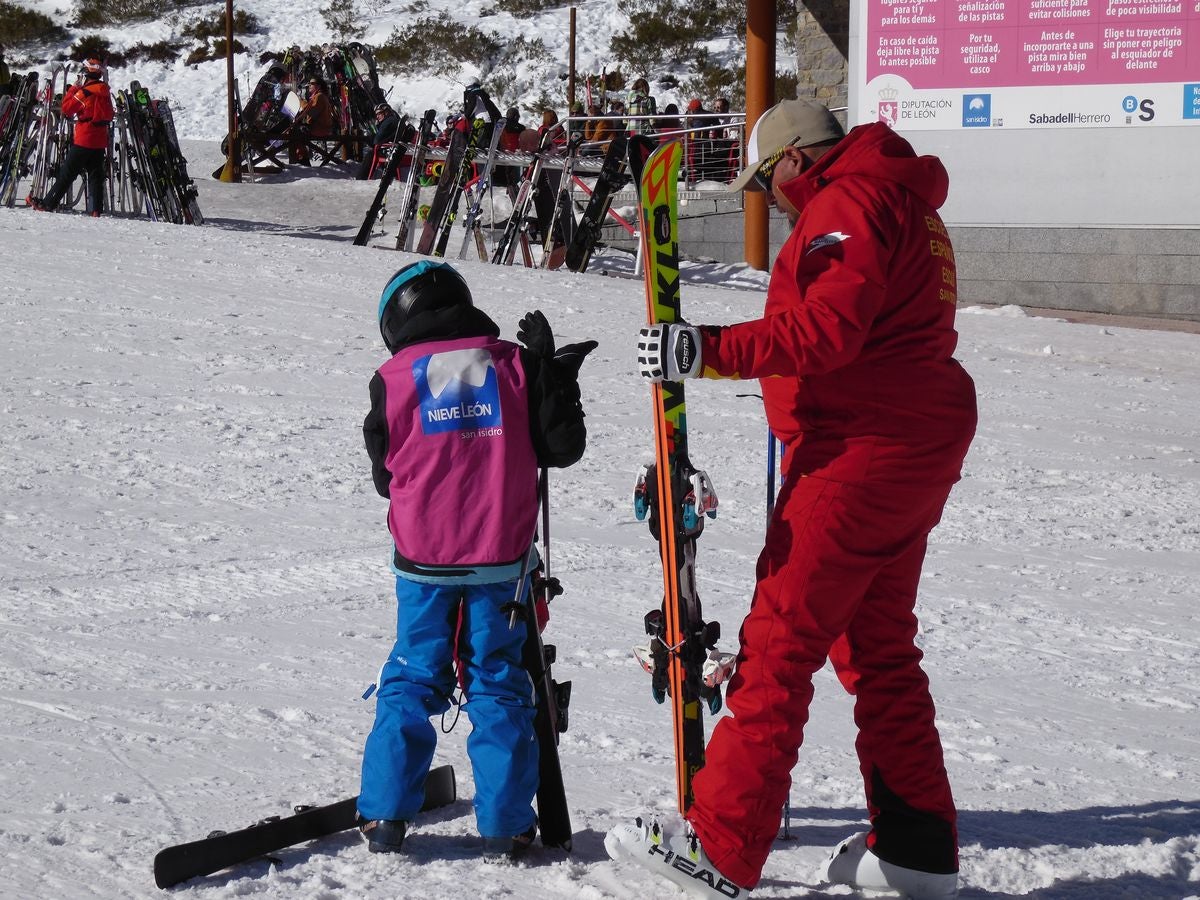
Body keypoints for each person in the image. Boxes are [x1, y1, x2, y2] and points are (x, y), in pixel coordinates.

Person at [606, 98, 977, 900]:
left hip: (862, 452)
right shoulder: (901, 198)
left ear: (793, 162)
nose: (768, 199)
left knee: (781, 638)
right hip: (906, 444)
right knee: (877, 646)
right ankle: (916, 849)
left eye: (766, 182)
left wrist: (704, 350)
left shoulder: (848, 201)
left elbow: (828, 330)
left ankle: (722, 844)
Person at [357, 261, 596, 861]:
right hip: (499, 561)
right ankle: (506, 827)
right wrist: (552, 378)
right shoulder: (512, 364)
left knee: (413, 673)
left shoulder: (392, 377)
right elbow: (561, 450)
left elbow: (385, 477)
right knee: (496, 680)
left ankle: (385, 815)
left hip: (422, 560)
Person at [34, 58, 113, 216]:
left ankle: (48, 203)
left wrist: (73, 89)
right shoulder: (104, 90)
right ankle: (96, 209)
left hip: (84, 137)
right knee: (96, 175)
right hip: (100, 139)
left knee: (67, 173)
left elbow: (67, 109)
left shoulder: (84, 92)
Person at [356, 102, 410, 180]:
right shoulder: (395, 120)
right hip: (395, 149)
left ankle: (361, 179)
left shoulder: (388, 121)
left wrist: (368, 139)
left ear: (386, 112)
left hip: (390, 151)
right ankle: (391, 176)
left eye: (379, 114)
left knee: (370, 154)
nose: (377, 117)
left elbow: (377, 141)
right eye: (376, 115)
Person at [289, 78, 334, 164]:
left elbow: (311, 111)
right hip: (321, 127)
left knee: (295, 132)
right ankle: (302, 158)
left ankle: (302, 160)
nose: (309, 85)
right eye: (309, 83)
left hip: (320, 129)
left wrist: (300, 101)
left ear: (319, 86)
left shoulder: (319, 96)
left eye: (312, 83)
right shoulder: (318, 96)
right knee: (296, 129)